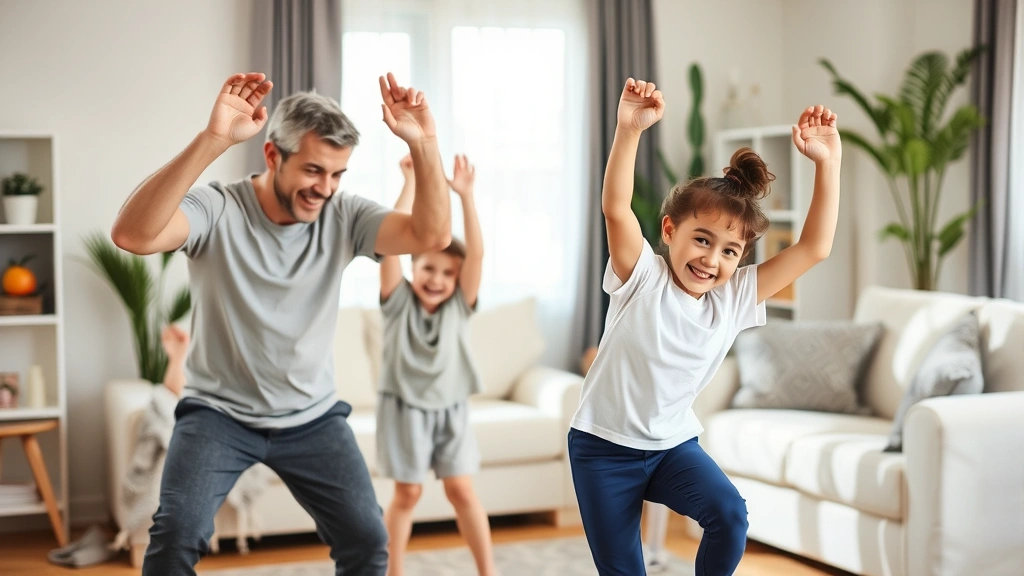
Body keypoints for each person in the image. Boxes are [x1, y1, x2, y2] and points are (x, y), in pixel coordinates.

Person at [110, 71, 453, 576]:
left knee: (367, 539)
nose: (325, 188)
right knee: (175, 536)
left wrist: (424, 143)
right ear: (273, 155)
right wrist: (213, 141)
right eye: (313, 170)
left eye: (337, 174)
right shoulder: (218, 208)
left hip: (312, 418)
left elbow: (431, 236)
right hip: (218, 415)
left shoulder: (344, 216)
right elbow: (133, 236)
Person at [568, 77, 841, 576]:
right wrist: (629, 129)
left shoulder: (733, 298)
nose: (712, 259)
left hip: (671, 448)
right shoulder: (642, 276)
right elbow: (615, 208)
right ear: (669, 230)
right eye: (702, 239)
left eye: (729, 251)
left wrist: (829, 163)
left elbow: (814, 248)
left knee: (729, 515)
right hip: (603, 449)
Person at [377, 153, 495, 576]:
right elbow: (388, 242)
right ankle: (394, 571)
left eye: (448, 273)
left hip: (451, 406)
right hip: (404, 406)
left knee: (461, 490)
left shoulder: (459, 306)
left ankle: (488, 571)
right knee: (407, 494)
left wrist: (465, 196)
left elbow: (475, 255)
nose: (437, 279)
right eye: (428, 268)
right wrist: (410, 182)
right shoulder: (397, 302)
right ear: (413, 266)